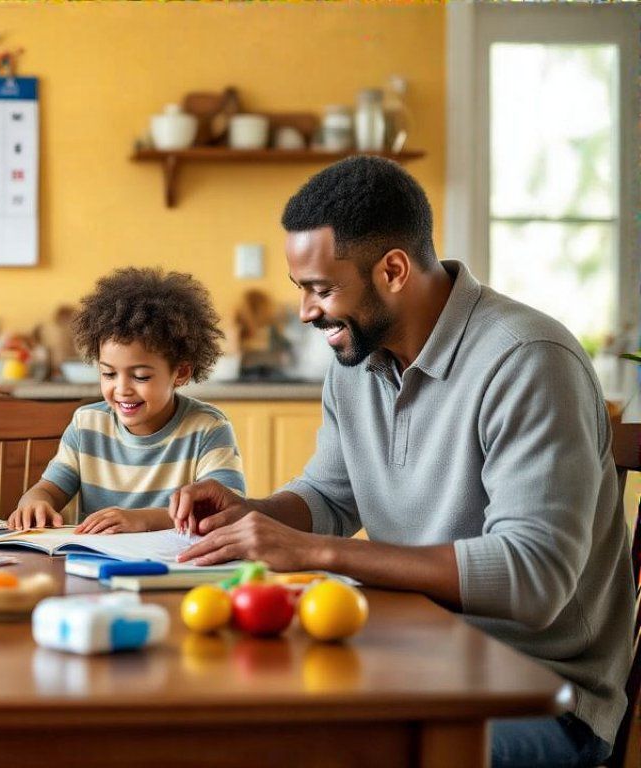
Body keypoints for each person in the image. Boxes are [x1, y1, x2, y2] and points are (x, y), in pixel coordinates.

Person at [171, 156, 630, 767]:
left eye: (322, 289)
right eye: (301, 289)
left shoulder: (527, 360)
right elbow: (332, 497)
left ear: (392, 270)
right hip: (410, 656)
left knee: (313, 751)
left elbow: (534, 576)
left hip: (540, 694)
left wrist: (317, 553)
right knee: (229, 721)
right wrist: (253, 513)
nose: (307, 312)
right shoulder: (359, 361)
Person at [8, 267, 245, 533]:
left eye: (141, 376)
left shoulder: (207, 429)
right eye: (108, 373)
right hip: (96, 566)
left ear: (180, 372)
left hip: (176, 566)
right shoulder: (87, 425)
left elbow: (226, 511)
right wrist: (35, 501)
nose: (121, 389)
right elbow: (48, 490)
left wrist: (142, 520)